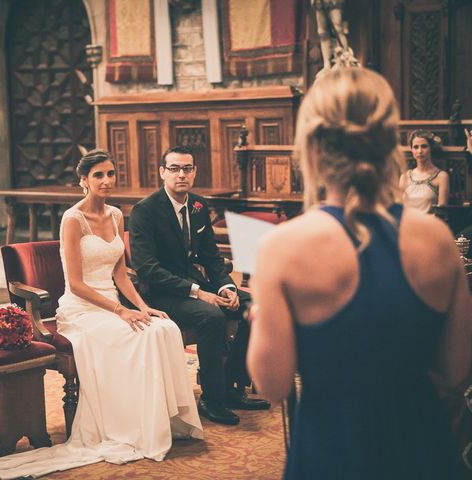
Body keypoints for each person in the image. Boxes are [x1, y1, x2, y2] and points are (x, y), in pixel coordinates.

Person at [246, 67, 471, 479]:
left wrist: (262, 313)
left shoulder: (281, 247)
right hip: (420, 447)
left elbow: (272, 386)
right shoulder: (437, 239)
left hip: (331, 449)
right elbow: (456, 371)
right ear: (389, 141)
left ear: (310, 146)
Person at [0, 150, 203, 479]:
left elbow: (120, 274)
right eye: (98, 175)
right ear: (83, 181)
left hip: (115, 303)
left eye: (110, 174)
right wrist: (121, 311)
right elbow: (75, 284)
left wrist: (141, 307)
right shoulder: (72, 220)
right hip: (82, 310)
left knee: (164, 328)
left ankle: (159, 421)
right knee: (137, 338)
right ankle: (130, 427)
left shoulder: (118, 215)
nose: (106, 181)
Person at [128, 146, 270, 427]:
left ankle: (232, 386)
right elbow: (148, 268)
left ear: (194, 172)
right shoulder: (145, 210)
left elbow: (212, 257)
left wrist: (226, 288)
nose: (181, 174)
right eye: (174, 168)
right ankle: (212, 399)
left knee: (254, 307)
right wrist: (198, 293)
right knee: (212, 316)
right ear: (162, 173)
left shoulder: (198, 205)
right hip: (161, 293)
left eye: (187, 168)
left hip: (196, 285)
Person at [399, 129, 449, 213]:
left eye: (424, 146)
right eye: (416, 147)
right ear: (411, 150)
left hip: (429, 224)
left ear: (431, 148)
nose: (420, 151)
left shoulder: (441, 176)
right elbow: (398, 209)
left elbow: (441, 213)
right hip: (406, 223)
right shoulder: (404, 177)